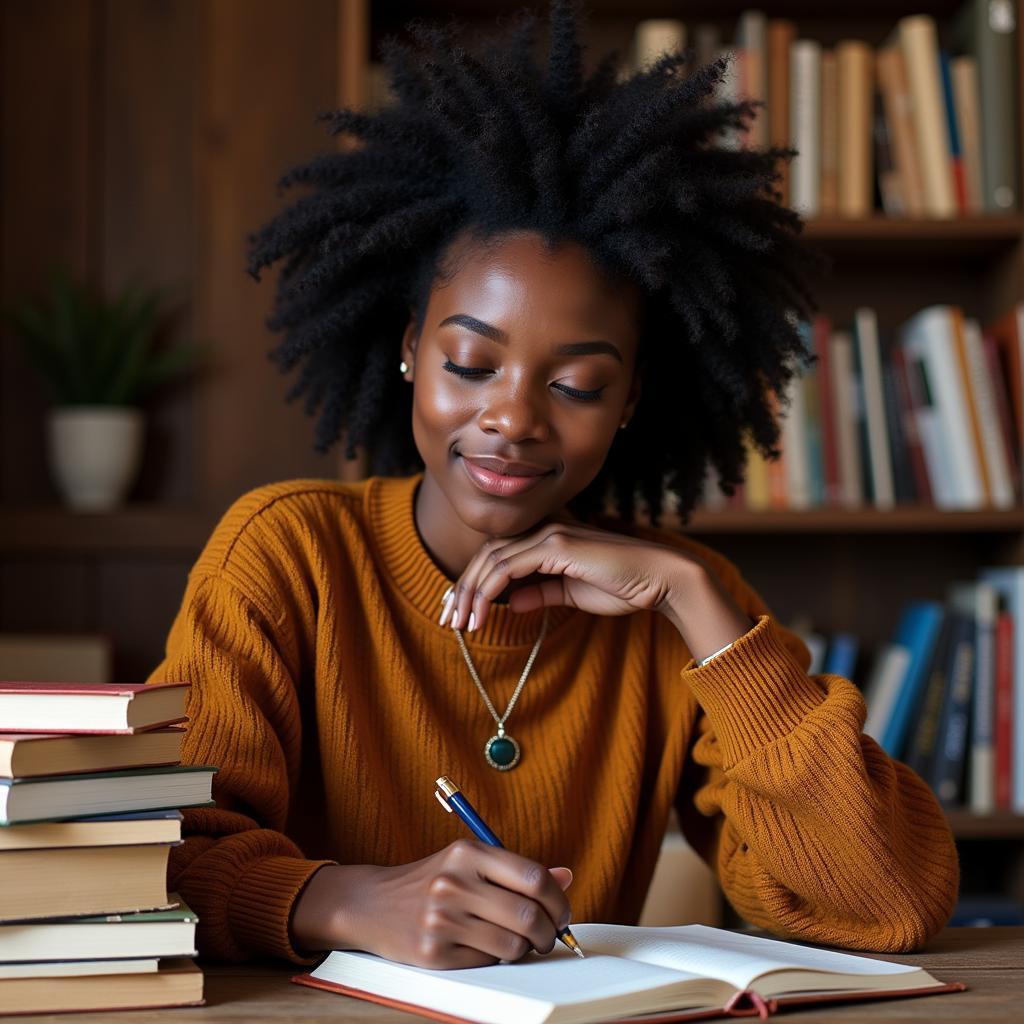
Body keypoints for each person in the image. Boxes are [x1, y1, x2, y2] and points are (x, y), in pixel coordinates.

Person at [147, 0, 958, 969]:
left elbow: (891, 903)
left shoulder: (674, 604)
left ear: (628, 400)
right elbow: (151, 860)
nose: (514, 418)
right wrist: (343, 898)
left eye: (575, 384)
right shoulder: (288, 555)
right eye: (470, 364)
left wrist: (700, 606)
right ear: (410, 350)